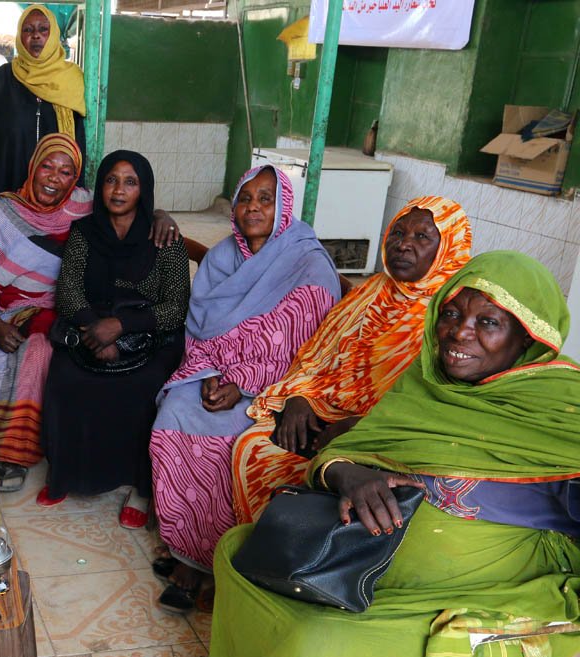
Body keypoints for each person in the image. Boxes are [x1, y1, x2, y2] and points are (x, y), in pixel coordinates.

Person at [168, 251, 580, 657]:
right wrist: (350, 475)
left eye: (489, 322)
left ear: (528, 336)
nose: (460, 332)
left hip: (479, 592)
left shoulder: (561, 409)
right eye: (453, 314)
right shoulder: (427, 386)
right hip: (374, 557)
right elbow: (349, 449)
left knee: (317, 646)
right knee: (239, 552)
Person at [149, 164, 341, 612]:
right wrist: (212, 373)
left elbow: (303, 347)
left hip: (277, 390)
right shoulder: (223, 256)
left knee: (229, 438)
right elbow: (199, 331)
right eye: (246, 198)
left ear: (284, 207)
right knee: (174, 412)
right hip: (212, 373)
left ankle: (207, 564)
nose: (253, 207)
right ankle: (188, 548)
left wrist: (245, 384)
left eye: (266, 198)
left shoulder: (307, 262)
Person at [231, 196, 472, 525]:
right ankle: (257, 552)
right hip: (325, 411)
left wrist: (357, 427)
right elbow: (317, 355)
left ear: (450, 247)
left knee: (302, 473)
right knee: (255, 445)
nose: (403, 245)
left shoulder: (451, 319)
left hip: (382, 437)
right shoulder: (372, 291)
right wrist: (298, 397)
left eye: (422, 237)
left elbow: (430, 408)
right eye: (398, 233)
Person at [39, 151, 191, 527]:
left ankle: (140, 486)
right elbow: (68, 291)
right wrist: (96, 328)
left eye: (130, 182)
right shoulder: (84, 232)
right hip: (90, 328)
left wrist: (121, 326)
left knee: (146, 385)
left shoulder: (164, 238)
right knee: (64, 376)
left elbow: (176, 306)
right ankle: (65, 474)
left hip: (148, 334)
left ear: (144, 190)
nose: (118, 190)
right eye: (111, 180)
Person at [0, 133, 90, 491]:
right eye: (47, 166)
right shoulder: (0, 211)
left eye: (65, 171)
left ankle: (13, 455)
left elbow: (129, 208)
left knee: (37, 355)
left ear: (74, 179)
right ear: (33, 167)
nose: (54, 178)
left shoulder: (84, 207)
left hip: (46, 308)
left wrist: (161, 214)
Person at [0, 4, 86, 201]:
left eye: (43, 29)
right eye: (28, 30)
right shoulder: (5, 77)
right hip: (6, 189)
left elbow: (78, 146)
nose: (35, 36)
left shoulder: (71, 79)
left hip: (54, 196)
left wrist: (78, 195)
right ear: (20, 37)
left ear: (53, 34)